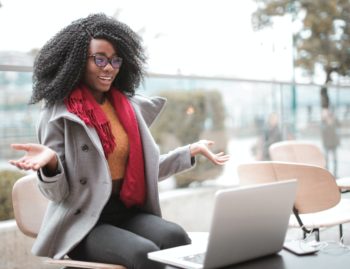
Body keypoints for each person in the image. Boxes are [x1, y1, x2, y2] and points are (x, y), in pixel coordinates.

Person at [9, 14, 229, 269]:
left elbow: (143, 171)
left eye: (115, 60)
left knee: (176, 237)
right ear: (78, 61)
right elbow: (58, 194)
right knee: (144, 253)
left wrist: (188, 152)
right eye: (99, 59)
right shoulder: (58, 115)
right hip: (85, 222)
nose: (109, 67)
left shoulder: (126, 108)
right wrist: (50, 165)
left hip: (126, 211)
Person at [321, 108, 340, 177]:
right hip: (327, 143)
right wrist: (324, 119)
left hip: (333, 142)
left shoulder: (334, 120)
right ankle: (327, 173)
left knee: (335, 159)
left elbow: (339, 124)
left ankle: (335, 173)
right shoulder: (324, 121)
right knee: (326, 159)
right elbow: (322, 131)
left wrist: (333, 118)